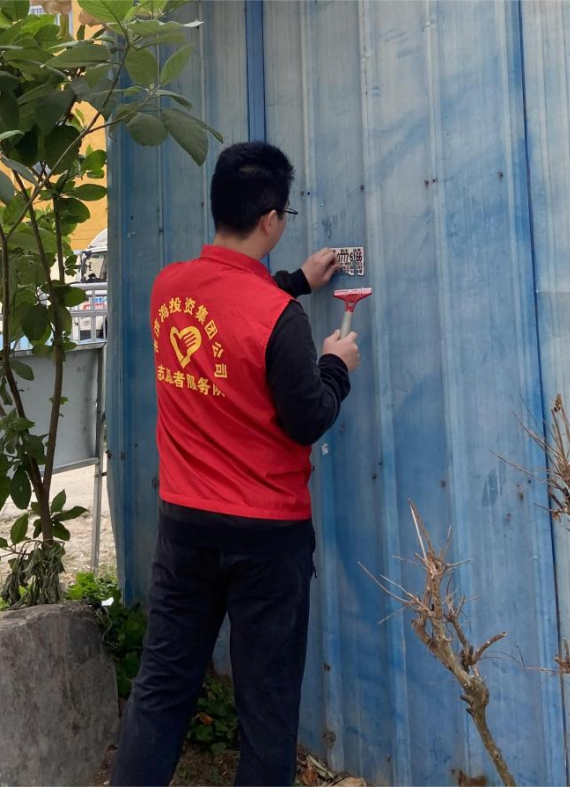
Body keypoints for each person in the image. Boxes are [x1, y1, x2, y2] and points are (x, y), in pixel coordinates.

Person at [111, 141, 360, 787]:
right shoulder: (281, 320)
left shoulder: (169, 288)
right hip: (266, 541)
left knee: (161, 688)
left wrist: (296, 281)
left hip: (185, 530)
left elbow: (227, 310)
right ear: (271, 219)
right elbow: (307, 417)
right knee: (267, 712)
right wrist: (336, 366)